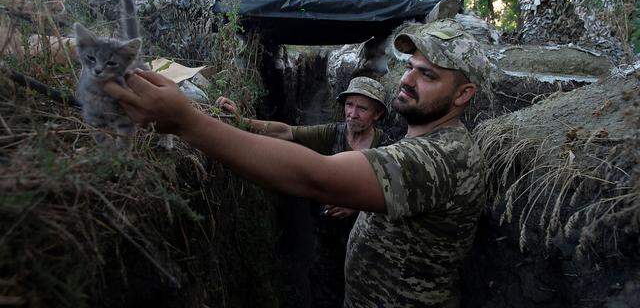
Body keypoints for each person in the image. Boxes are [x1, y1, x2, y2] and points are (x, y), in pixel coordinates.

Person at [104, 19, 490, 307]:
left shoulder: (442, 157)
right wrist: (233, 120)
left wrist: (186, 122)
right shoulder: (418, 142)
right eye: (409, 66)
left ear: (463, 94)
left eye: (428, 75)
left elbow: (316, 177)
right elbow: (289, 133)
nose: (408, 79)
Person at [215, 76, 388, 308]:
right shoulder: (333, 133)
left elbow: (395, 197)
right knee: (323, 290)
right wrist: (241, 120)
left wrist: (357, 204)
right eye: (349, 105)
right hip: (326, 235)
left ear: (377, 114)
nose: (352, 113)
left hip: (366, 241)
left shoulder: (388, 149)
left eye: (362, 108)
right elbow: (286, 132)